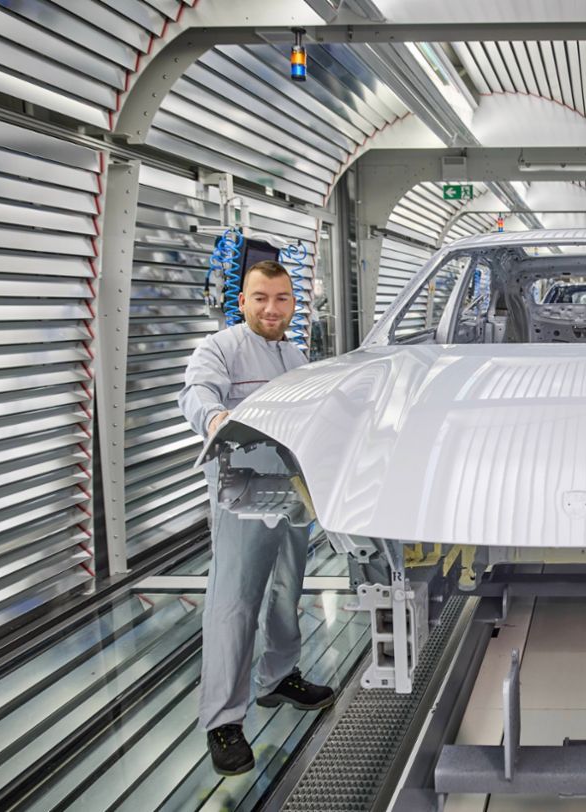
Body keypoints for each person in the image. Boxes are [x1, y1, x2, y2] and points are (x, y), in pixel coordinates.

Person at [178, 259, 335, 775]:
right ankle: (223, 720)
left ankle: (277, 677)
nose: (272, 308)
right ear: (241, 301)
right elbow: (196, 393)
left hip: (293, 492)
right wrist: (216, 415)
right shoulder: (220, 349)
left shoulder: (294, 354)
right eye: (261, 297)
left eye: (282, 298)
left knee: (288, 589)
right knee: (234, 603)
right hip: (242, 497)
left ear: (294, 303)